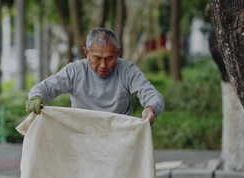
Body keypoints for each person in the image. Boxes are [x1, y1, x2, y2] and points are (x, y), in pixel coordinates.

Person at [25, 27, 164, 124]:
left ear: (118, 53)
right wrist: (36, 97)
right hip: (81, 134)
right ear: (86, 52)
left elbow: (151, 94)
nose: (103, 65)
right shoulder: (75, 70)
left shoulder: (127, 70)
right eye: (97, 58)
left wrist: (150, 109)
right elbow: (46, 87)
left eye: (109, 58)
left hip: (118, 136)